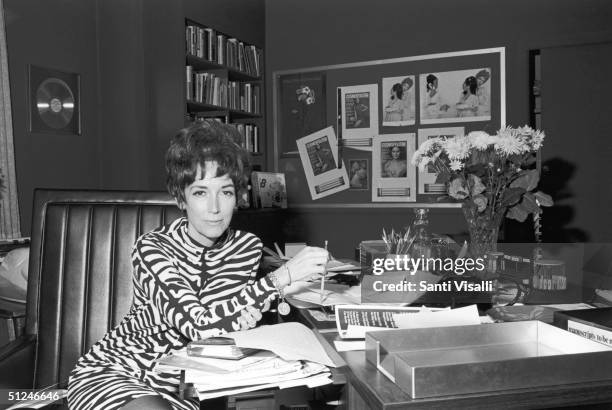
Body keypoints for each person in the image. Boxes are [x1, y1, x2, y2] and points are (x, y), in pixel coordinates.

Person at [67, 122, 329, 410]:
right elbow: (198, 325)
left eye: (226, 192)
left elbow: (221, 321)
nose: (215, 208)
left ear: (237, 196)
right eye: (201, 192)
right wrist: (282, 277)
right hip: (116, 371)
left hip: (185, 386)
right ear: (181, 197)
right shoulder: (152, 248)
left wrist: (239, 321)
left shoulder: (247, 247)